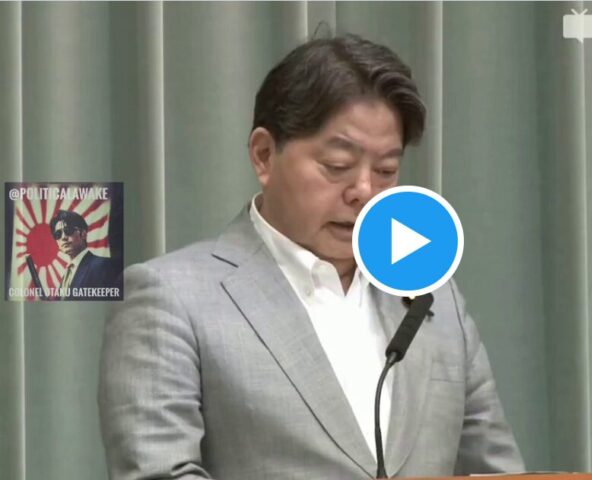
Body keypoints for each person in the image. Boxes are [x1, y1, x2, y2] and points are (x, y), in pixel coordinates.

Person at [98, 33, 524, 479]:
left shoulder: (433, 298)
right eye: (337, 166)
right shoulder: (171, 299)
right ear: (264, 156)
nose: (365, 191)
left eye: (386, 170)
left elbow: (497, 470)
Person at [51, 210, 122, 300]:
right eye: (58, 234)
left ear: (83, 234)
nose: (63, 237)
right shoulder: (66, 275)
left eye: (68, 230)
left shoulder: (102, 265)